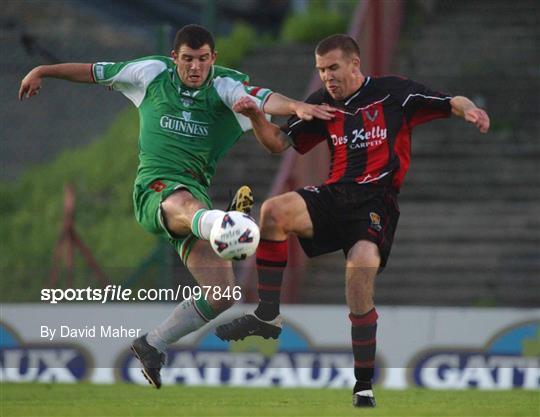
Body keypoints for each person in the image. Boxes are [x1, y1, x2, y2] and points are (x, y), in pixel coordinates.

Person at [19, 24, 334, 389]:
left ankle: (153, 343)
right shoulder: (150, 72)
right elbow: (93, 71)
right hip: (156, 190)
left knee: (222, 294)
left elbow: (265, 100)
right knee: (186, 201)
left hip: (193, 207)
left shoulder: (224, 85)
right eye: (187, 59)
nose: (195, 67)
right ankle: (224, 226)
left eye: (202, 60)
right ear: (174, 58)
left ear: (213, 58)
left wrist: (295, 105)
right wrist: (41, 70)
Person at [215, 34, 490, 407]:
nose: (327, 77)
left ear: (354, 64)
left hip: (376, 201)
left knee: (359, 270)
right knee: (273, 212)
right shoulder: (321, 103)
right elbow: (278, 144)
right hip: (335, 194)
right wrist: (255, 116)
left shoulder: (394, 93)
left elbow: (450, 101)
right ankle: (267, 316)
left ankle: (363, 384)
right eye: (321, 70)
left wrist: (471, 110)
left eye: (333, 68)